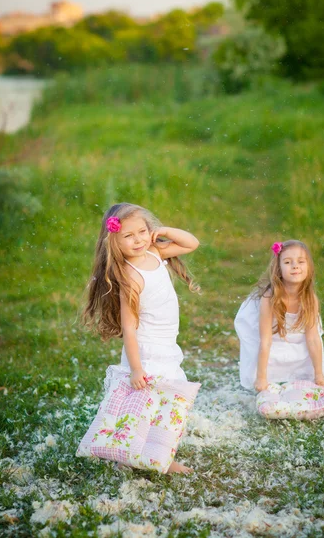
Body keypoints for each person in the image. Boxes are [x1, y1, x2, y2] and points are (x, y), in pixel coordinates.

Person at [82, 202, 200, 473]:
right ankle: (153, 455)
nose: (137, 240)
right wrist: (136, 368)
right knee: (154, 402)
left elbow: (191, 243)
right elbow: (129, 329)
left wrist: (163, 231)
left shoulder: (156, 251)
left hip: (167, 344)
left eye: (142, 231)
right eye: (128, 236)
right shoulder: (130, 277)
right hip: (147, 350)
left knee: (165, 401)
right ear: (114, 241)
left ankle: (150, 452)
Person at [234, 240, 324, 392]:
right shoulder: (270, 297)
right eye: (288, 262)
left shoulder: (310, 298)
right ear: (279, 269)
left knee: (305, 350)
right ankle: (268, 379)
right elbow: (265, 340)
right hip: (269, 333)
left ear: (309, 267)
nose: (295, 266)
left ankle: (299, 380)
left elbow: (313, 338)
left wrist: (319, 374)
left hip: (295, 333)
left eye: (301, 262)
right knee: (269, 354)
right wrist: (261, 378)